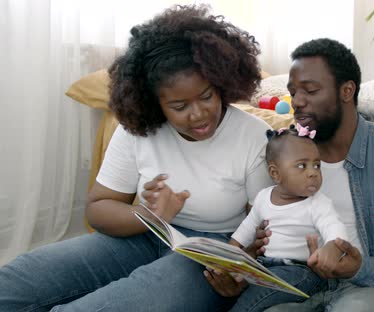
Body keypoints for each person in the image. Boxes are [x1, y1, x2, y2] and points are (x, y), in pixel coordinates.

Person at [0, 5, 273, 311]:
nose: (198, 114)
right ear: (155, 103)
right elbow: (98, 210)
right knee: (16, 281)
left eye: (207, 96)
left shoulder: (254, 136)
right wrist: (151, 216)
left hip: (213, 251)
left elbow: (264, 230)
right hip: (144, 235)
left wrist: (239, 273)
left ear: (222, 83)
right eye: (180, 106)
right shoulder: (139, 131)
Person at [208, 38, 374, 312]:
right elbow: (265, 227)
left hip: (370, 289)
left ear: (346, 91)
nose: (297, 102)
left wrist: (360, 268)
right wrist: (243, 271)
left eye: (310, 90)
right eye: (293, 91)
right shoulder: (284, 152)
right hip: (297, 285)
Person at [228, 125, 349, 312]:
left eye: (317, 165)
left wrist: (333, 246)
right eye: (302, 165)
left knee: (256, 298)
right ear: (275, 173)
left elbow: (333, 226)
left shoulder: (317, 203)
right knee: (238, 283)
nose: (313, 172)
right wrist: (229, 252)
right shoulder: (263, 198)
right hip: (264, 266)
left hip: (302, 272)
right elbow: (246, 229)